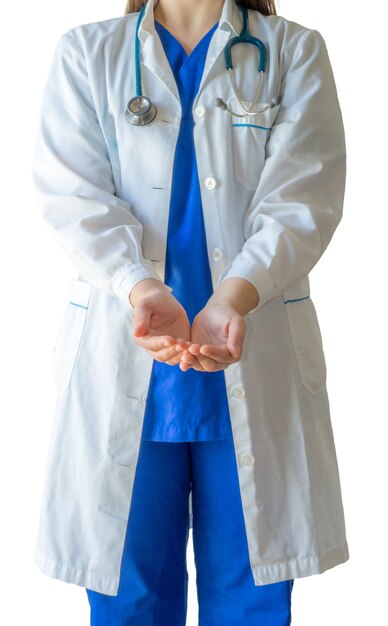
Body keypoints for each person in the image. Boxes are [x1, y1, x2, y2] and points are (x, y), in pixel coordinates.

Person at [31, 0, 349, 624]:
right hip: (128, 359)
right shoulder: (88, 53)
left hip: (249, 357)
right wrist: (139, 287)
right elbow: (74, 195)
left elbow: (302, 198)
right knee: (129, 603)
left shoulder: (291, 50)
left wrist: (235, 293)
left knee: (251, 604)